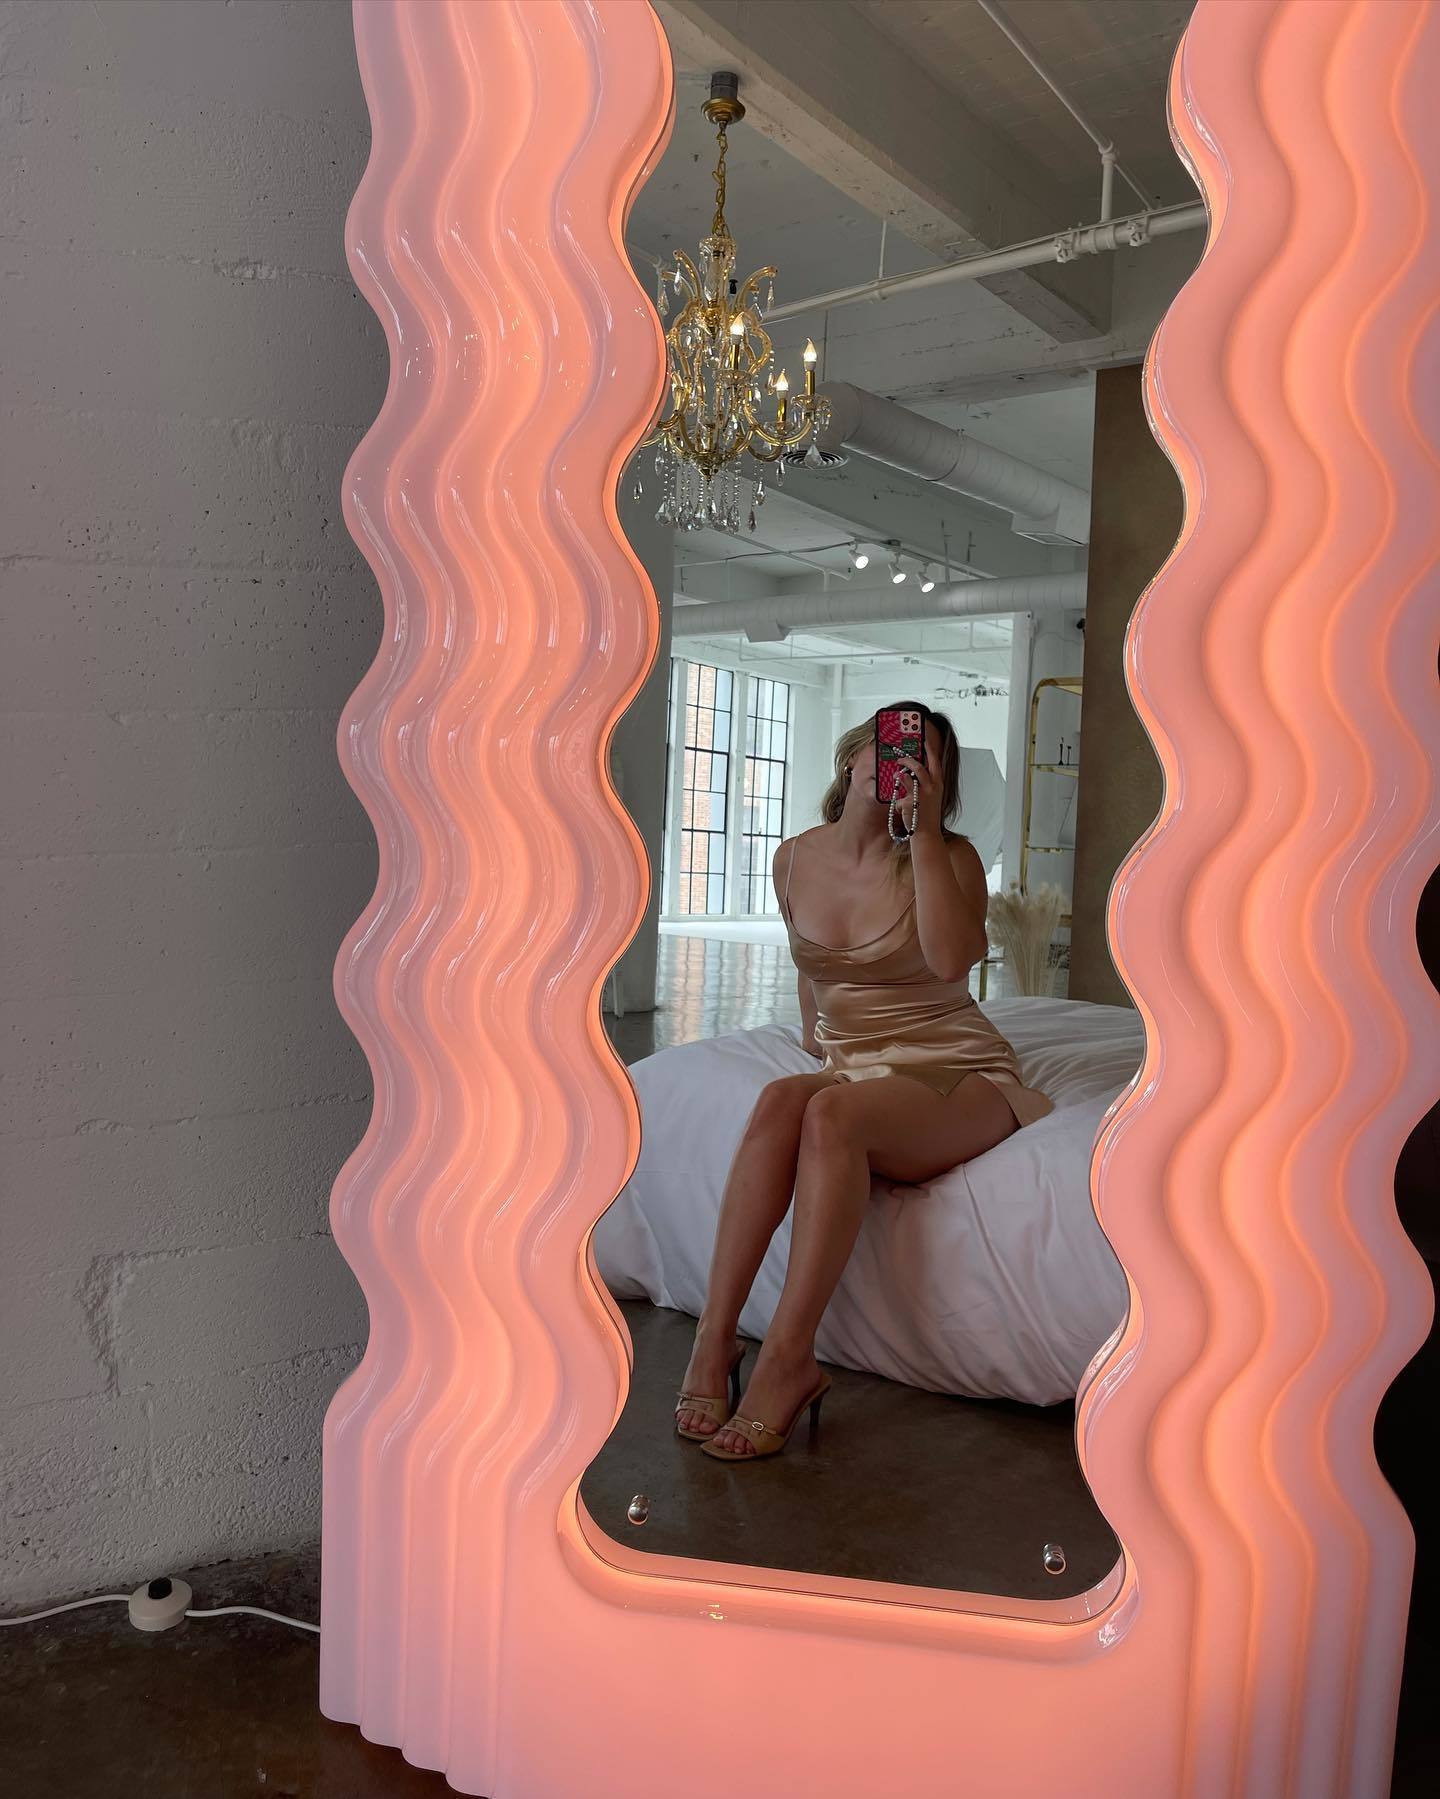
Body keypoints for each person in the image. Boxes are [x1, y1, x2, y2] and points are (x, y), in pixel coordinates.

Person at [674, 705, 1054, 1461]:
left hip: (957, 1068)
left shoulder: (952, 859)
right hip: (857, 1065)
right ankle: (714, 1339)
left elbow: (950, 961)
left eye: (923, 758)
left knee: (833, 1119)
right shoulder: (793, 859)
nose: (901, 764)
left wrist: (925, 836)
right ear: (853, 757)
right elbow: (811, 975)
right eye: (891, 748)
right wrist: (821, 1041)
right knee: (782, 1099)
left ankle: (789, 1357)